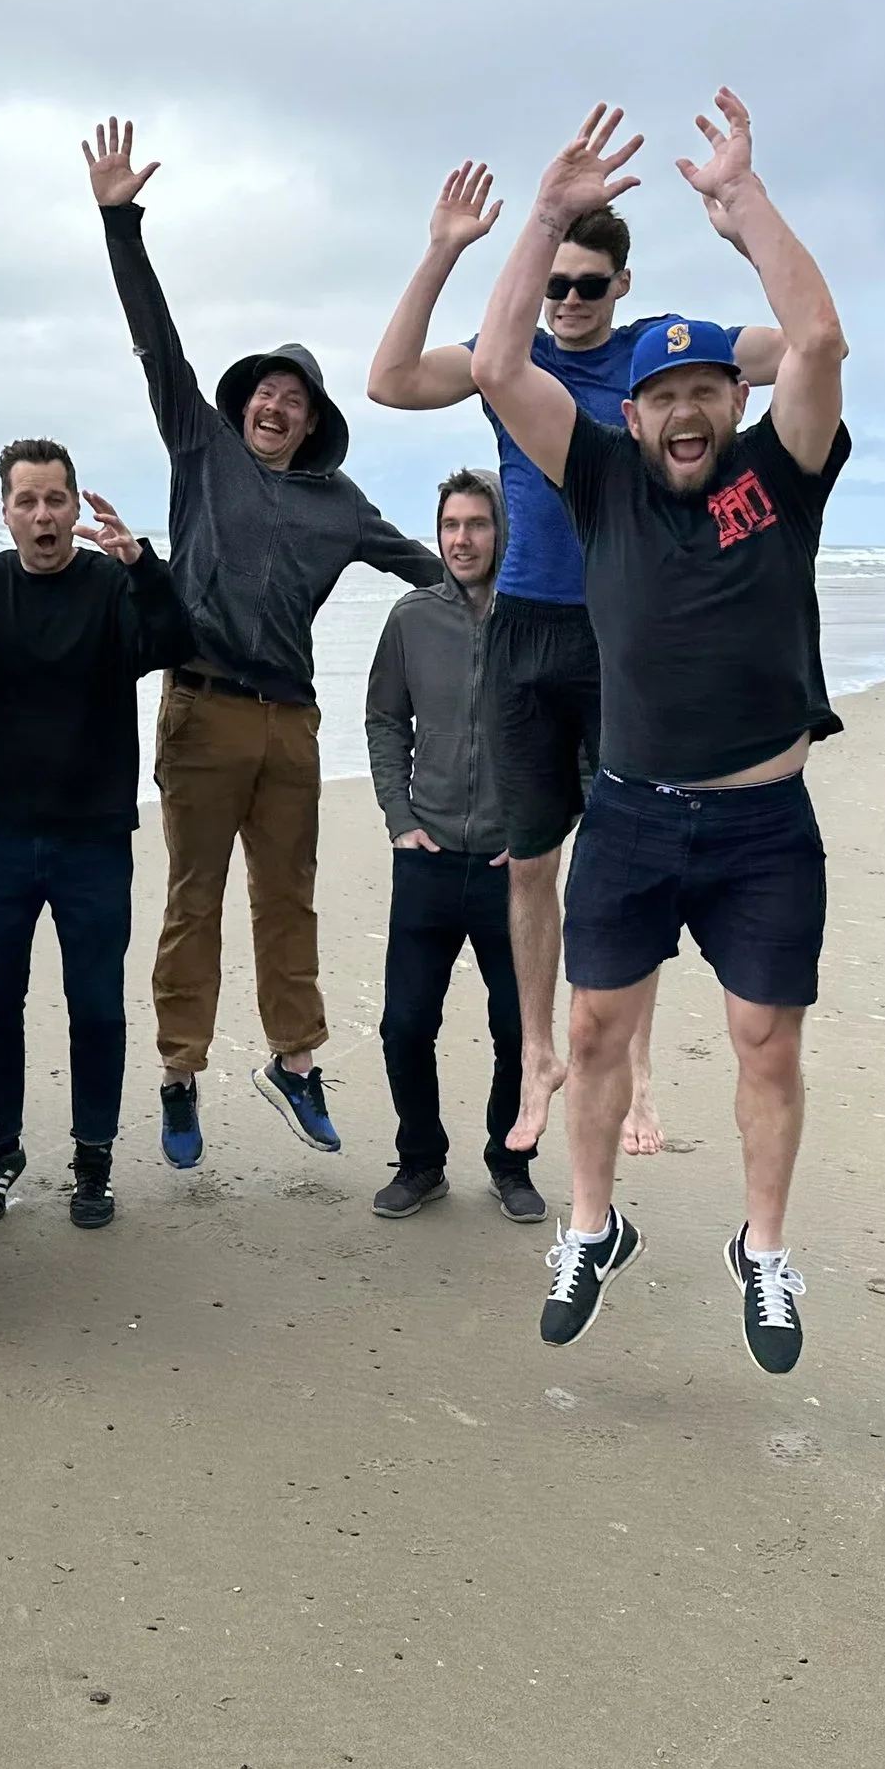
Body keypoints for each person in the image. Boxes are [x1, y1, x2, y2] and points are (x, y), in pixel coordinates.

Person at [471, 94, 849, 1372]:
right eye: (662, 395)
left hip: (760, 822)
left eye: (704, 389)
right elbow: (493, 365)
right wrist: (539, 216)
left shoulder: (777, 479)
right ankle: (592, 1225)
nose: (685, 409)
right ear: (630, 414)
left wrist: (742, 208)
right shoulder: (601, 482)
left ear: (728, 404)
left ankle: (763, 1249)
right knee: (588, 1034)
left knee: (763, 1042)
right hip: (631, 812)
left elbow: (817, 339)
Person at [368, 161, 787, 1163]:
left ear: (621, 288)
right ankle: (538, 1052)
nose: (563, 303)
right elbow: (387, 382)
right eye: (551, 285)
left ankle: (637, 1076)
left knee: (624, 864)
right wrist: (442, 251)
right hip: (523, 629)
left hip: (626, 634)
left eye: (585, 286)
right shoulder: (508, 352)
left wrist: (746, 230)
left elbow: (798, 348)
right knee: (530, 861)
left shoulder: (656, 353)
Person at [83, 116, 444, 1166]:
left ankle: (294, 1064)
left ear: (311, 418)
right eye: (264, 394)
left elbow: (428, 566)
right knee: (195, 900)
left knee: (288, 901)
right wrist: (120, 222)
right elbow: (158, 341)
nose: (275, 406)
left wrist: (511, 605)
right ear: (241, 405)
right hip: (198, 712)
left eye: (293, 399)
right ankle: (180, 1075)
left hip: (291, 726)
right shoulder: (198, 449)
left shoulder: (339, 503)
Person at [0, 439, 195, 1230]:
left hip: (94, 835)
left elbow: (173, 643)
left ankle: (93, 1157)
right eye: (26, 501)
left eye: (55, 500)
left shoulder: (108, 586)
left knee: (96, 1004)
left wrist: (143, 565)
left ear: (75, 508)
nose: (42, 515)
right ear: (5, 514)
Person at [363, 470, 543, 1224]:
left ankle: (511, 1161)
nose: (463, 539)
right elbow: (382, 721)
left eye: (478, 524)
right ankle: (421, 1161)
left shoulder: (538, 620)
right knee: (406, 1023)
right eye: (451, 526)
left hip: (513, 869)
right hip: (428, 858)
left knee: (516, 1025)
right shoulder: (411, 619)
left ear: (502, 532)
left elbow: (579, 736)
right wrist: (400, 816)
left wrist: (542, 832)